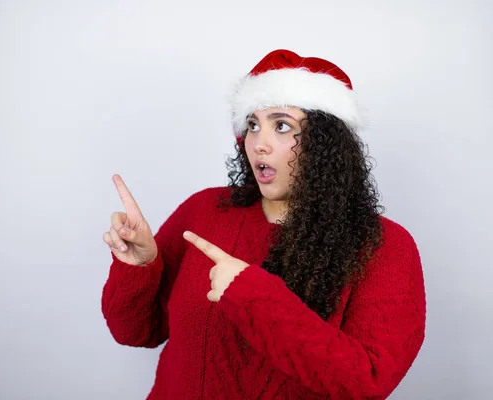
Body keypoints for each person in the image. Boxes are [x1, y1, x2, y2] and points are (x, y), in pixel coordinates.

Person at [101, 49, 426, 399]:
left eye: (281, 125)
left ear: (326, 142)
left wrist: (250, 295)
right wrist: (140, 268)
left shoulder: (384, 245)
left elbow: (369, 382)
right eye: (253, 125)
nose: (259, 144)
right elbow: (136, 333)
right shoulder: (206, 210)